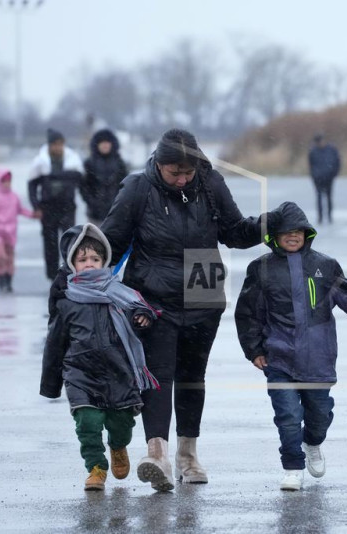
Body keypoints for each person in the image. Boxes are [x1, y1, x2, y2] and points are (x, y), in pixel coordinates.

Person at [96, 128, 278, 491]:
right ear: (158, 165)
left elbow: (235, 232)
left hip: (203, 285)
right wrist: (78, 277)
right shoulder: (137, 189)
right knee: (159, 372)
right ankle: (157, 454)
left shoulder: (210, 183)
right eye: (174, 173)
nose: (181, 179)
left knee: (194, 375)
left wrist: (271, 223)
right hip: (152, 294)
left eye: (187, 173)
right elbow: (111, 242)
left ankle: (188, 455)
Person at [235, 201, 347, 491]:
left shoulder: (324, 265)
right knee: (287, 416)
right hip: (279, 357)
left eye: (299, 231)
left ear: (308, 233)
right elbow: (248, 312)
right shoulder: (261, 269)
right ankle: (292, 466)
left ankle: (312, 443)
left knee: (319, 415)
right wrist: (255, 350)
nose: (293, 236)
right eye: (286, 232)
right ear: (274, 235)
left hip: (318, 358)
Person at [40, 223, 158, 491]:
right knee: (88, 423)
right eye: (82, 260)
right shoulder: (66, 300)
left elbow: (140, 316)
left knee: (122, 423)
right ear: (72, 264)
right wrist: (50, 383)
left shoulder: (119, 293)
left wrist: (142, 318)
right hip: (81, 373)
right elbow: (55, 343)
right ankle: (95, 467)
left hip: (119, 371)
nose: (89, 264)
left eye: (95, 258)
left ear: (104, 260)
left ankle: (118, 445)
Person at [28, 128, 85, 280]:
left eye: (60, 144)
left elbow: (80, 178)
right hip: (48, 208)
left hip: (67, 207)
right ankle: (52, 276)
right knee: (50, 244)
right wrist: (35, 206)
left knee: (70, 242)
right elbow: (32, 184)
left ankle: (68, 273)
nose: (57, 147)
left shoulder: (72, 159)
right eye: (55, 144)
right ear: (49, 145)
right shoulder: (41, 161)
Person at [0, 168, 39, 292]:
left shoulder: (14, 197)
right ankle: (0, 279)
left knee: (10, 257)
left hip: (11, 232)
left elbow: (20, 210)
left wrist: (32, 215)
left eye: (9, 181)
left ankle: (8, 280)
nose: (7, 183)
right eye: (4, 181)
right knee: (1, 256)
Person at [81, 128, 129, 225]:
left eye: (107, 142)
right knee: (95, 239)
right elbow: (84, 187)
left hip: (116, 212)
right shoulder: (89, 163)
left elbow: (126, 185)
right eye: (102, 142)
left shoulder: (120, 163)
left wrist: (119, 202)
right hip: (94, 214)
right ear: (97, 144)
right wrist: (92, 203)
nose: (105, 145)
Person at [308, 134, 341, 224]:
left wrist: (334, 173)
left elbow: (337, 161)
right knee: (319, 197)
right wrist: (313, 175)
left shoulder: (331, 149)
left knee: (329, 197)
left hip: (329, 177)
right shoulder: (313, 151)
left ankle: (330, 216)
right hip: (318, 178)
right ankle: (320, 217)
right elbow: (311, 164)